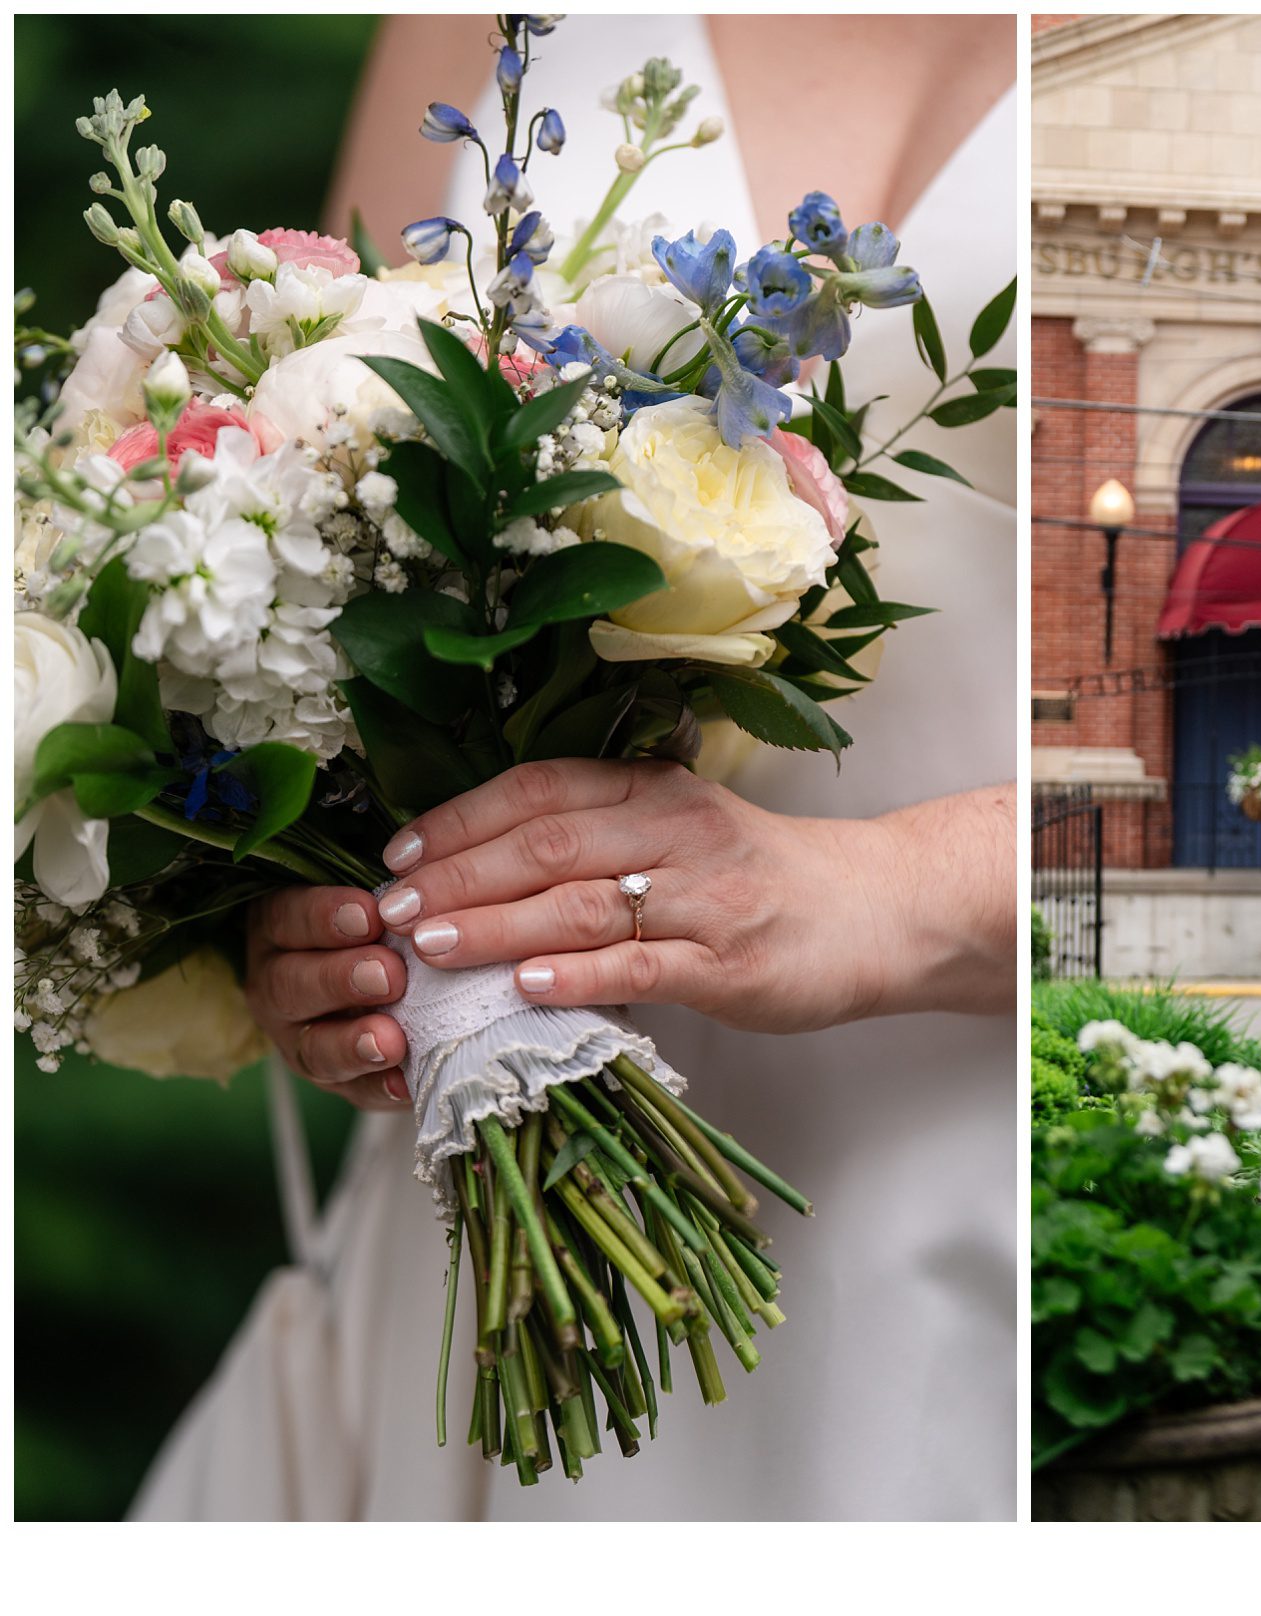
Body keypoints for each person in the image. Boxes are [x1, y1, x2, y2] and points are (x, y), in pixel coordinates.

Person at [132, 14, 1019, 1520]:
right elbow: (307, 468)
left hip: (978, 1209)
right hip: (492, 1198)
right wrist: (338, 926)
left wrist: (893, 887)